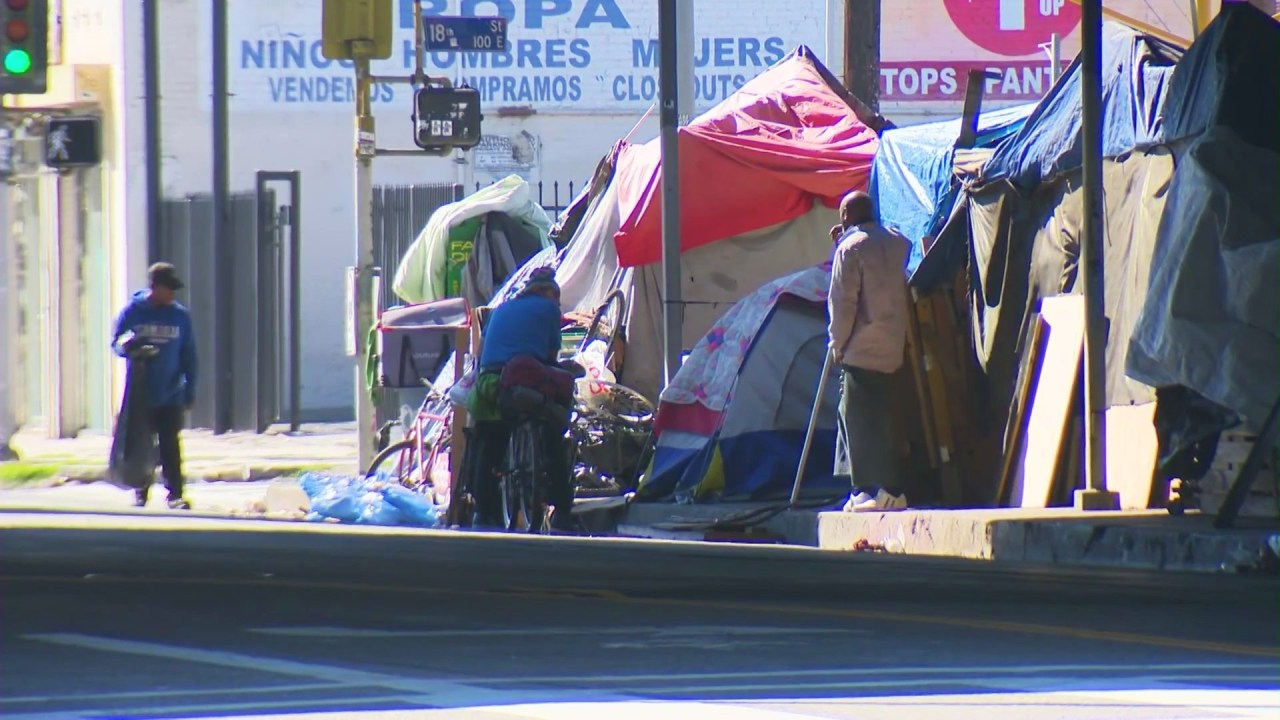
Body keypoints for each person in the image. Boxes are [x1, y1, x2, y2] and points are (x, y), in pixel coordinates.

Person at [468, 267, 576, 531]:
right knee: (552, 436)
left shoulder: (500, 309)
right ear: (550, 293)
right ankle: (562, 510)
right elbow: (551, 356)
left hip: (491, 384)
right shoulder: (550, 310)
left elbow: (480, 355)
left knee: (489, 440)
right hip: (524, 381)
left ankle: (482, 513)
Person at [828, 191, 911, 512]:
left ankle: (864, 490)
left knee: (857, 419)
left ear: (847, 215)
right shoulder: (896, 242)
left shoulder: (850, 249)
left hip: (861, 346)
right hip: (892, 342)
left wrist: (836, 343)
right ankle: (892, 489)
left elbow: (842, 302)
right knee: (887, 417)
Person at [110, 263, 198, 510]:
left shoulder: (180, 316)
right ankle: (141, 489)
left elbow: (189, 355)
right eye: (168, 288)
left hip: (171, 392)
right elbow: (116, 343)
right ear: (155, 288)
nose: (171, 294)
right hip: (141, 393)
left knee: (170, 444)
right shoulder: (133, 312)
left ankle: (175, 494)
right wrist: (129, 346)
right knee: (142, 443)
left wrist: (190, 388)